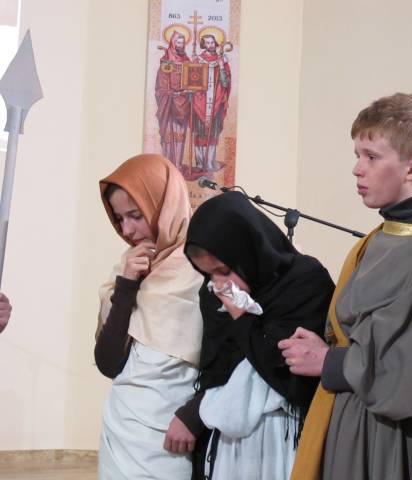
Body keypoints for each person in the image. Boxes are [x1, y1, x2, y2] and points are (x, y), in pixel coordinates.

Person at [279, 93, 412, 480]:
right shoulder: (380, 236)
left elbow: (409, 371)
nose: (357, 169)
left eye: (372, 157)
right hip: (349, 416)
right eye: (357, 155)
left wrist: (328, 361)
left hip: (387, 434)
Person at [179, 191, 334, 479]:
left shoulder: (305, 281)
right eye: (208, 274)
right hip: (226, 444)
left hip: (284, 436)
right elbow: (217, 370)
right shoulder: (214, 293)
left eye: (224, 270)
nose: (219, 284)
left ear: (248, 251)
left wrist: (243, 318)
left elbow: (290, 375)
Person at [95, 153, 203, 479]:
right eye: (119, 219)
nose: (127, 230)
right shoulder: (126, 270)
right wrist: (127, 285)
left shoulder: (205, 268)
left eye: (135, 215)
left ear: (163, 205)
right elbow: (108, 363)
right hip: (120, 432)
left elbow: (229, 359)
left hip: (173, 436)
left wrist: (194, 415)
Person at [192, 33, 232, 172]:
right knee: (199, 132)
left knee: (213, 133)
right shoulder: (198, 60)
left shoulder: (222, 61)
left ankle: (209, 162)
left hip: (216, 101)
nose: (210, 45)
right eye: (207, 42)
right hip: (199, 102)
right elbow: (191, 81)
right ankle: (199, 163)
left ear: (216, 43)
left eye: (212, 42)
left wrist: (221, 67)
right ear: (204, 44)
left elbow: (225, 83)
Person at [155, 31, 191, 168]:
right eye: (178, 42)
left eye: (182, 43)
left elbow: (193, 78)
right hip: (169, 104)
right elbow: (161, 85)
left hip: (183, 103)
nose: (180, 45)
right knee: (169, 135)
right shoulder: (166, 62)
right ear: (172, 43)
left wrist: (191, 89)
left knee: (180, 135)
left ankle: (177, 164)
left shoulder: (187, 61)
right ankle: (167, 165)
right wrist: (171, 93)